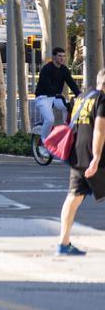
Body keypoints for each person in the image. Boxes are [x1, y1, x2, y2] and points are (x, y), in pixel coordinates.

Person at [57, 68, 105, 256]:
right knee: (74, 197)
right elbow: (99, 131)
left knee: (73, 196)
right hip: (95, 157)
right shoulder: (102, 100)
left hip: (77, 155)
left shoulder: (82, 97)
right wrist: (96, 158)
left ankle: (63, 242)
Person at [35, 47, 80, 140]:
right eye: (59, 56)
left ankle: (65, 127)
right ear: (54, 57)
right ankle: (44, 142)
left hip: (56, 97)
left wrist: (79, 94)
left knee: (70, 108)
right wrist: (57, 93)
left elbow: (71, 83)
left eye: (63, 56)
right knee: (50, 120)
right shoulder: (46, 69)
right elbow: (46, 85)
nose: (62, 58)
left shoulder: (64, 69)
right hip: (43, 98)